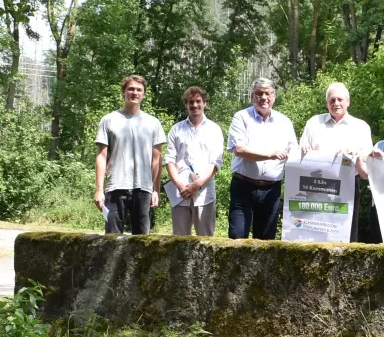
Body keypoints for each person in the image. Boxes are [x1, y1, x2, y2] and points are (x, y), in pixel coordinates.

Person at [300, 82, 374, 241]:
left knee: (345, 233)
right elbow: (301, 154)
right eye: (332, 100)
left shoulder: (360, 126)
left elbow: (366, 166)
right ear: (327, 103)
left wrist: (357, 154)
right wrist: (302, 147)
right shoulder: (313, 123)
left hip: (347, 186)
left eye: (340, 99)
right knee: (314, 233)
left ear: (348, 102)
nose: (336, 103)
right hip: (316, 186)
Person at [93, 74, 166, 235]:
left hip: (143, 188)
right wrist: (99, 189)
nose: (135, 92)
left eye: (139, 90)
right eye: (131, 89)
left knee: (142, 243)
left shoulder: (153, 123)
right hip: (115, 187)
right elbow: (101, 157)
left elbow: (156, 160)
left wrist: (156, 190)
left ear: (144, 94)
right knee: (111, 240)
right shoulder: (109, 120)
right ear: (123, 92)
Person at [227, 77, 298, 240]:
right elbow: (239, 150)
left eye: (268, 93)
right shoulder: (241, 117)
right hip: (243, 187)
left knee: (266, 242)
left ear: (274, 96)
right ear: (252, 96)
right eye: (259, 94)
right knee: (237, 238)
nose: (263, 98)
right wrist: (271, 155)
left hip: (271, 190)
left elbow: (294, 151)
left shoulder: (285, 122)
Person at [164, 85, 225, 237]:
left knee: (205, 242)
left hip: (204, 194)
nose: (195, 105)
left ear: (205, 103)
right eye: (190, 102)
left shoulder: (214, 129)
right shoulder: (176, 129)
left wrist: (196, 185)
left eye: (198, 101)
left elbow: (215, 162)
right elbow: (169, 160)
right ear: (186, 105)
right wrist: (180, 185)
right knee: (179, 240)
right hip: (180, 193)